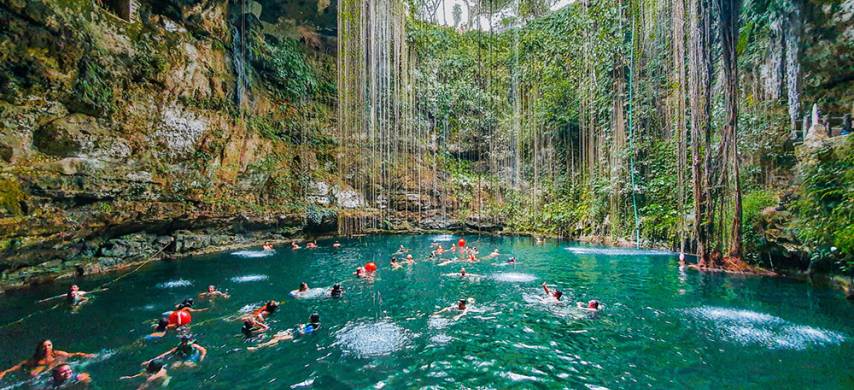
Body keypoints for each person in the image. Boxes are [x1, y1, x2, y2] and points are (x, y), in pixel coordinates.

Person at [0, 339, 95, 379]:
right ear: (39, 349)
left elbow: (74, 354)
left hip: (58, 369)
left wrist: (85, 355)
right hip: (46, 372)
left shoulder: (57, 353)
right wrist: (4, 372)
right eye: (43, 346)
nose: (47, 348)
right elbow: (18, 366)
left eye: (49, 345)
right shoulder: (34, 360)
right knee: (33, 374)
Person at [247, 314, 321, 351]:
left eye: (310, 317)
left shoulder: (311, 327)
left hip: (295, 336)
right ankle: (271, 345)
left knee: (278, 339)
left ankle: (256, 348)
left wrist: (301, 328)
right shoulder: (312, 324)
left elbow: (303, 333)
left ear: (311, 319)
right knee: (275, 336)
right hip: (292, 332)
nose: (308, 317)